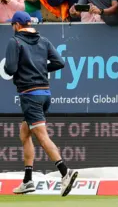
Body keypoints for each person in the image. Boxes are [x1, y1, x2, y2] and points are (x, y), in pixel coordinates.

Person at [5, 11, 78, 196]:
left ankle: (65, 172)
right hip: (45, 94)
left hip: (30, 96)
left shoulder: (15, 41)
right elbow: (59, 62)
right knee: (25, 133)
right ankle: (28, 181)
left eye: (12, 25)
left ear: (16, 25)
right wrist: (41, 67)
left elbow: (10, 68)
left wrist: (19, 67)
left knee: (42, 138)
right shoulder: (44, 41)